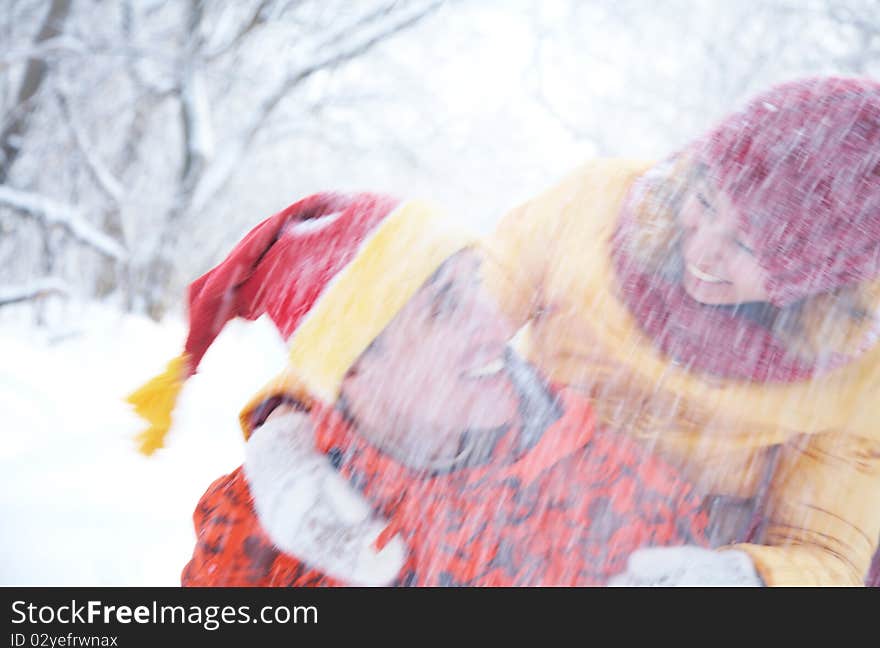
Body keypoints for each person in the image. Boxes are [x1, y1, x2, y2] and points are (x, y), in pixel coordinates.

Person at [131, 193, 715, 586]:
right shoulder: (253, 524)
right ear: (353, 369)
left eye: (477, 287)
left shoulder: (609, 485)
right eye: (445, 307)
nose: (495, 326)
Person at [477, 76, 880, 586]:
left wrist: (746, 577)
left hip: (667, 559)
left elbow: (827, 551)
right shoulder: (592, 207)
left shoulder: (859, 373)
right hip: (500, 493)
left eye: (750, 247)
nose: (704, 251)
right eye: (707, 203)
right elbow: (452, 315)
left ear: (818, 282)